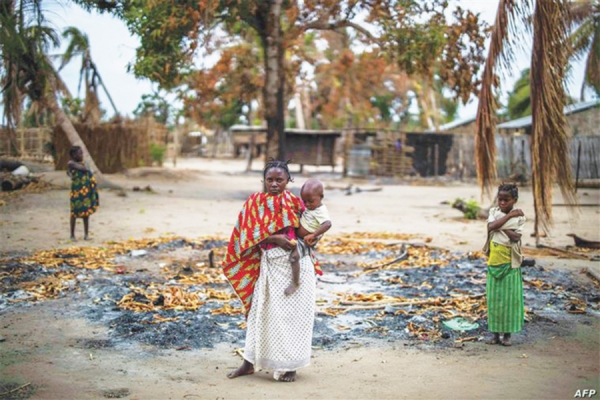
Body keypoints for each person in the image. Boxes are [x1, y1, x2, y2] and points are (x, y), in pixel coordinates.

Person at [222, 160, 322, 382]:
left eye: (280, 180)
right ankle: (248, 363)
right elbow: (244, 238)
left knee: (293, 317)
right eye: (270, 180)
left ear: (288, 181)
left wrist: (312, 238)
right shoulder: (254, 203)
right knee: (259, 314)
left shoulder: (296, 203)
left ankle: (290, 366)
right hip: (270, 266)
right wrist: (274, 238)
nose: (274, 184)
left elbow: (309, 228)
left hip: (297, 265)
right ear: (263, 181)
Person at [482, 183, 526, 346]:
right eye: (500, 199)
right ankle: (494, 335)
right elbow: (491, 226)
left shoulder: (520, 217)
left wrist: (499, 226)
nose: (502, 203)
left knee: (509, 301)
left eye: (506, 200)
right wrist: (508, 218)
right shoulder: (494, 212)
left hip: (510, 264)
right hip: (494, 262)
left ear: (514, 200)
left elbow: (516, 237)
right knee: (494, 300)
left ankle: (507, 335)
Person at [285, 179, 332, 296]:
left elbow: (327, 224)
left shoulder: (321, 211)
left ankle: (295, 282)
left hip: (304, 240)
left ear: (321, 197)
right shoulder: (311, 207)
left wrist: (314, 235)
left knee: (294, 257)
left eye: (310, 201)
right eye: (304, 201)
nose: (307, 205)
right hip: (298, 237)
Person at [67, 146, 99, 240]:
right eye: (79, 153)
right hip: (77, 191)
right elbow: (83, 169)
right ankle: (72, 235)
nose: (82, 155)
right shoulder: (71, 163)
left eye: (82, 153)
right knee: (74, 213)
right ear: (73, 155)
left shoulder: (83, 164)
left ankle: (86, 235)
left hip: (85, 191)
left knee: (86, 213)